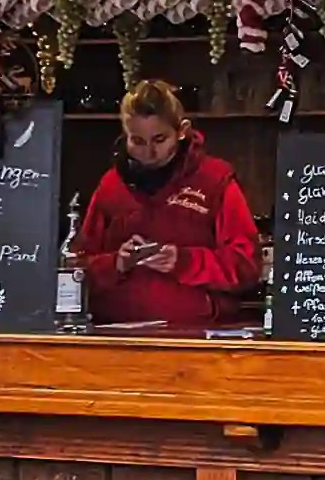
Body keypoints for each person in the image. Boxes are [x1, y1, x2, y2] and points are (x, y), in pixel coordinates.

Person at [75, 77, 261, 331]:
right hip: (117, 338)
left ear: (182, 130)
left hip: (195, 335)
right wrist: (117, 263)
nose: (149, 152)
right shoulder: (110, 186)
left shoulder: (215, 180)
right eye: (137, 141)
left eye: (159, 139)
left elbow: (247, 266)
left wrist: (185, 261)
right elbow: (77, 270)